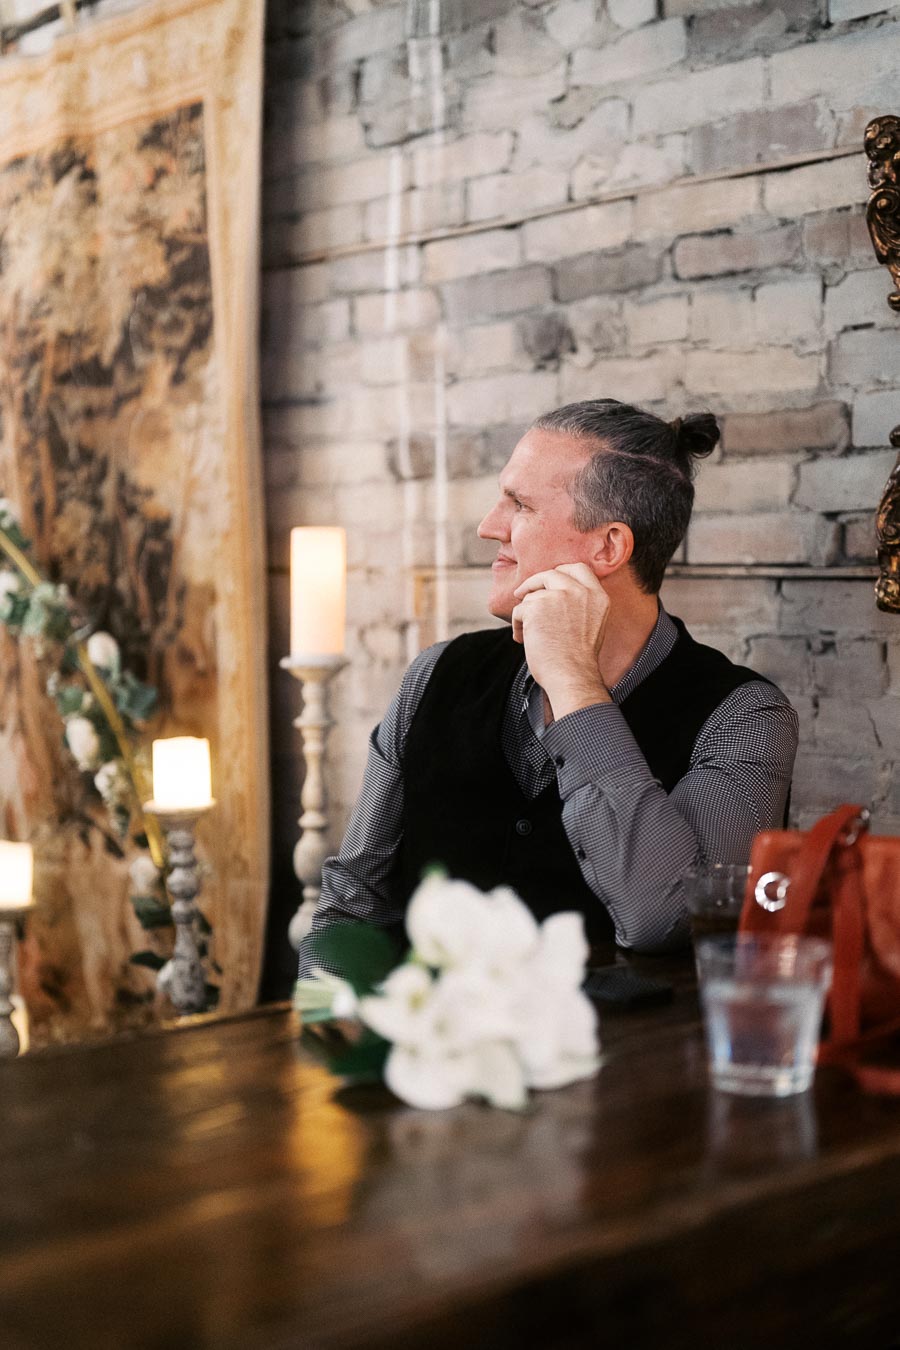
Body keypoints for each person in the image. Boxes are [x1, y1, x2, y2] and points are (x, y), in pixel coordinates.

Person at [300, 399, 798, 966]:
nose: (489, 527)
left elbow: (662, 919)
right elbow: (350, 908)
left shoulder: (746, 719)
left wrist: (574, 684)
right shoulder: (436, 675)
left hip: (622, 1054)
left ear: (609, 546)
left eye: (520, 505)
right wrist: (330, 1042)